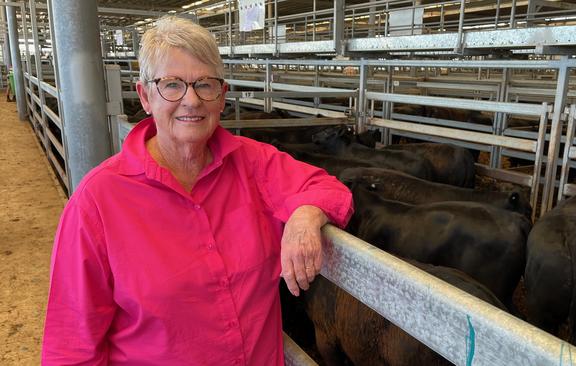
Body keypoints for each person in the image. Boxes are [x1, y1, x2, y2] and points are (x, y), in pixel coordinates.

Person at [42, 16, 353, 365]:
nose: (191, 100)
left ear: (222, 97)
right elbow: (71, 347)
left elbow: (328, 188)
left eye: (205, 85)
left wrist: (305, 215)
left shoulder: (254, 163)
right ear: (145, 96)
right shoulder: (97, 202)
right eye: (171, 85)